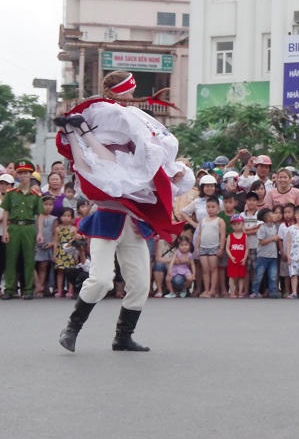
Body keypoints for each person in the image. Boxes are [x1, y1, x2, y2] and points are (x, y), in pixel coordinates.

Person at [55, 70, 194, 352]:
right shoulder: (105, 120)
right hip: (108, 217)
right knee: (101, 279)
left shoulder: (134, 131)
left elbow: (152, 160)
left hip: (133, 222)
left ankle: (122, 337)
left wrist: (172, 175)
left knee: (141, 284)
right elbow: (88, 165)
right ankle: (72, 327)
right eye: (128, 92)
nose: (132, 97)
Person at [0, 160, 43, 300]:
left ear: (31, 175)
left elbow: (40, 214)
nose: (23, 176)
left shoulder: (36, 195)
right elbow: (5, 212)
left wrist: (40, 232)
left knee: (29, 260)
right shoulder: (11, 194)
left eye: (26, 173)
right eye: (21, 173)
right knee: (10, 259)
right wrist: (5, 231)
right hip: (14, 227)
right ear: (17, 175)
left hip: (29, 227)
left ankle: (28, 289)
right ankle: (9, 289)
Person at [196, 197, 226, 298]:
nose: (210, 209)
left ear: (218, 208)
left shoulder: (220, 221)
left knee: (213, 269)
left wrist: (221, 248)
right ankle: (206, 289)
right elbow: (199, 234)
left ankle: (213, 289)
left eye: (213, 207)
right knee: (205, 270)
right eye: (208, 207)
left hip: (214, 247)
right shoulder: (203, 220)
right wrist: (197, 247)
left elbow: (222, 236)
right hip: (203, 247)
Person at [250, 208, 280, 298]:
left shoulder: (275, 227)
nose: (274, 215)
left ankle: (273, 292)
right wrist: (273, 239)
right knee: (259, 275)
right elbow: (261, 242)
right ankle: (255, 292)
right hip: (262, 256)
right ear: (267, 217)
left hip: (273, 256)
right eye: (272, 214)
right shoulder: (262, 228)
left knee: (273, 275)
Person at [52, 207, 80, 298]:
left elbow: (75, 243)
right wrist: (54, 254)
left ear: (72, 218)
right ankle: (60, 290)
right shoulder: (58, 229)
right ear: (60, 217)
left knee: (71, 271)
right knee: (60, 272)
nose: (66, 218)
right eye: (64, 215)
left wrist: (76, 255)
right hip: (61, 251)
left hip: (70, 252)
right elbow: (55, 241)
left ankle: (70, 290)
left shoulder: (74, 229)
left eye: (68, 216)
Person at [35, 195, 57, 297]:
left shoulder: (54, 219)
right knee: (31, 265)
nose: (48, 207)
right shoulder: (36, 217)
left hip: (46, 245)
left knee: (43, 266)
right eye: (45, 204)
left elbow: (54, 234)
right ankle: (37, 284)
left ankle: (41, 286)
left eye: (50, 205)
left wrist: (52, 243)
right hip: (35, 244)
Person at [225, 214, 249, 298]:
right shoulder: (230, 236)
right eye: (234, 224)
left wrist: (245, 258)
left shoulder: (245, 236)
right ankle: (232, 292)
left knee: (241, 276)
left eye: (238, 223)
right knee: (232, 276)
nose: (236, 226)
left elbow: (246, 248)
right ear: (231, 225)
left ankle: (240, 292)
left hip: (241, 259)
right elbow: (227, 248)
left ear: (242, 224)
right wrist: (231, 257)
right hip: (233, 260)